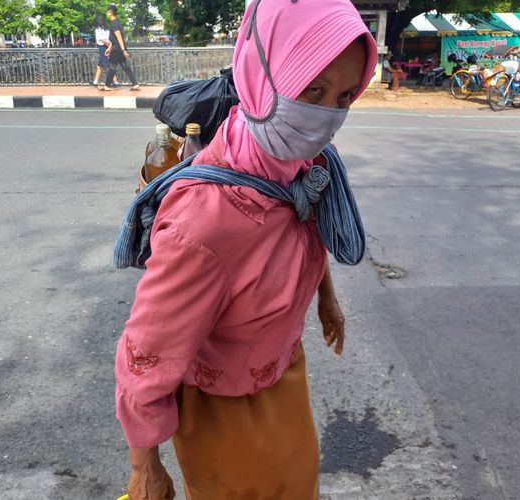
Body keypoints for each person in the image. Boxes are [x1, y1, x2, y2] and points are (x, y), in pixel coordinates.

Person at [112, 0, 377, 499]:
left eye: (343, 97)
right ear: (261, 77)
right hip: (224, 408)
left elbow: (302, 227)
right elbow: (146, 350)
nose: (324, 116)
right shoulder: (207, 219)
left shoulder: (300, 165)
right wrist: (144, 467)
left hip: (284, 374)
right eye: (311, 90)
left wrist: (326, 298)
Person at [103, 4, 140, 91]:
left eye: (107, 11)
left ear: (111, 12)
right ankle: (135, 84)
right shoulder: (117, 22)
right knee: (125, 67)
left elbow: (119, 37)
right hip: (118, 49)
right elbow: (115, 40)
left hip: (117, 50)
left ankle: (107, 85)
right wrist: (109, 48)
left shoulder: (114, 23)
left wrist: (123, 50)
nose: (106, 13)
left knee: (112, 68)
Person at [92, 13, 113, 89]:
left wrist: (108, 45)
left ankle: (113, 81)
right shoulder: (107, 28)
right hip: (107, 46)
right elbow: (108, 39)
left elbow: (101, 39)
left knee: (108, 65)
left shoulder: (98, 29)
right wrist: (110, 45)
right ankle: (95, 81)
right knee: (99, 66)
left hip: (102, 47)